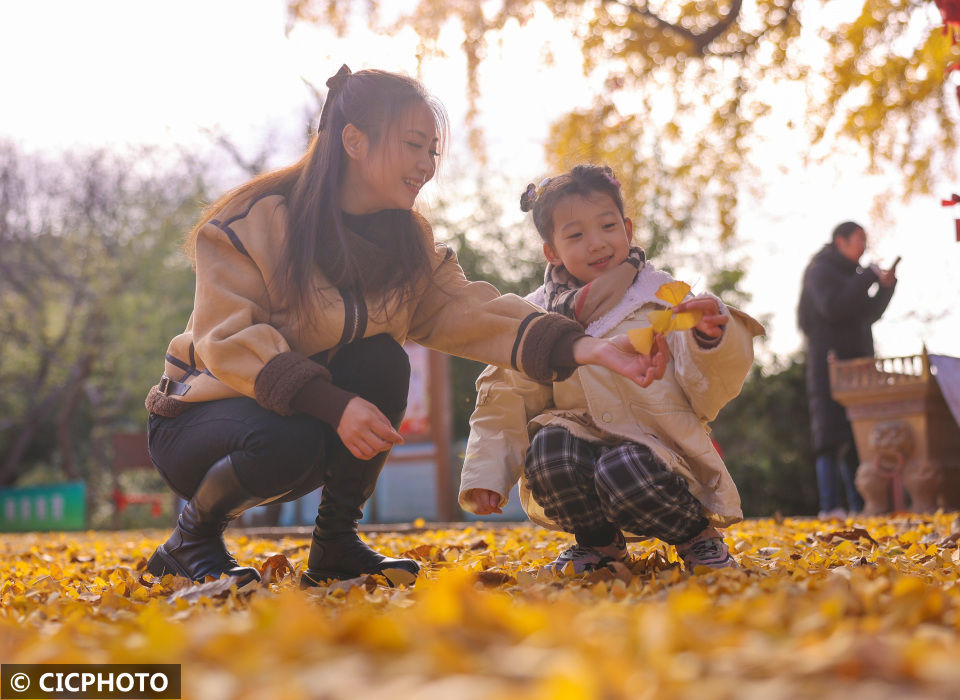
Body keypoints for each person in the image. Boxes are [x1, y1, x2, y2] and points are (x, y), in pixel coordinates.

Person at [143, 68, 665, 588]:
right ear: (354, 140)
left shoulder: (407, 244)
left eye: (432, 152)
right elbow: (225, 339)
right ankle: (192, 538)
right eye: (415, 146)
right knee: (294, 435)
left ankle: (335, 544)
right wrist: (332, 403)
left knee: (382, 361)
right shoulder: (253, 222)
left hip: (297, 427)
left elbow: (473, 309)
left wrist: (588, 347)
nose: (426, 165)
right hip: (197, 420)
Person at [458, 165, 765, 574]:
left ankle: (696, 537)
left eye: (607, 226)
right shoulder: (536, 316)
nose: (597, 243)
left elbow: (707, 382)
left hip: (659, 450)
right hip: (579, 449)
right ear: (552, 251)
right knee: (549, 450)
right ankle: (599, 544)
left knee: (621, 467)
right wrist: (486, 472)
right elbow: (505, 395)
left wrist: (709, 337)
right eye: (576, 235)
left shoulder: (661, 297)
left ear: (627, 228)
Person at [797, 221, 897, 519]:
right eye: (859, 240)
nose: (864, 247)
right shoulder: (820, 270)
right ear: (840, 241)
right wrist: (868, 275)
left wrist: (886, 287)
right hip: (829, 363)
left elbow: (868, 314)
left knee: (858, 434)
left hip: (858, 362)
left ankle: (861, 504)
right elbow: (833, 307)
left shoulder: (852, 275)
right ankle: (830, 506)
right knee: (830, 435)